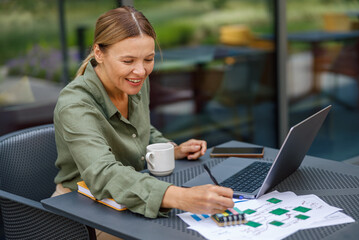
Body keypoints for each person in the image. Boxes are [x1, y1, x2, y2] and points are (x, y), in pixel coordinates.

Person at [53, 5, 234, 231]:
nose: (140, 71)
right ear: (99, 53)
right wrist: (182, 197)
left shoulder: (134, 82)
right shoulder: (75, 103)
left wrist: (170, 149)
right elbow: (103, 174)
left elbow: (140, 132)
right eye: (128, 61)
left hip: (130, 194)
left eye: (148, 59)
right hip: (83, 210)